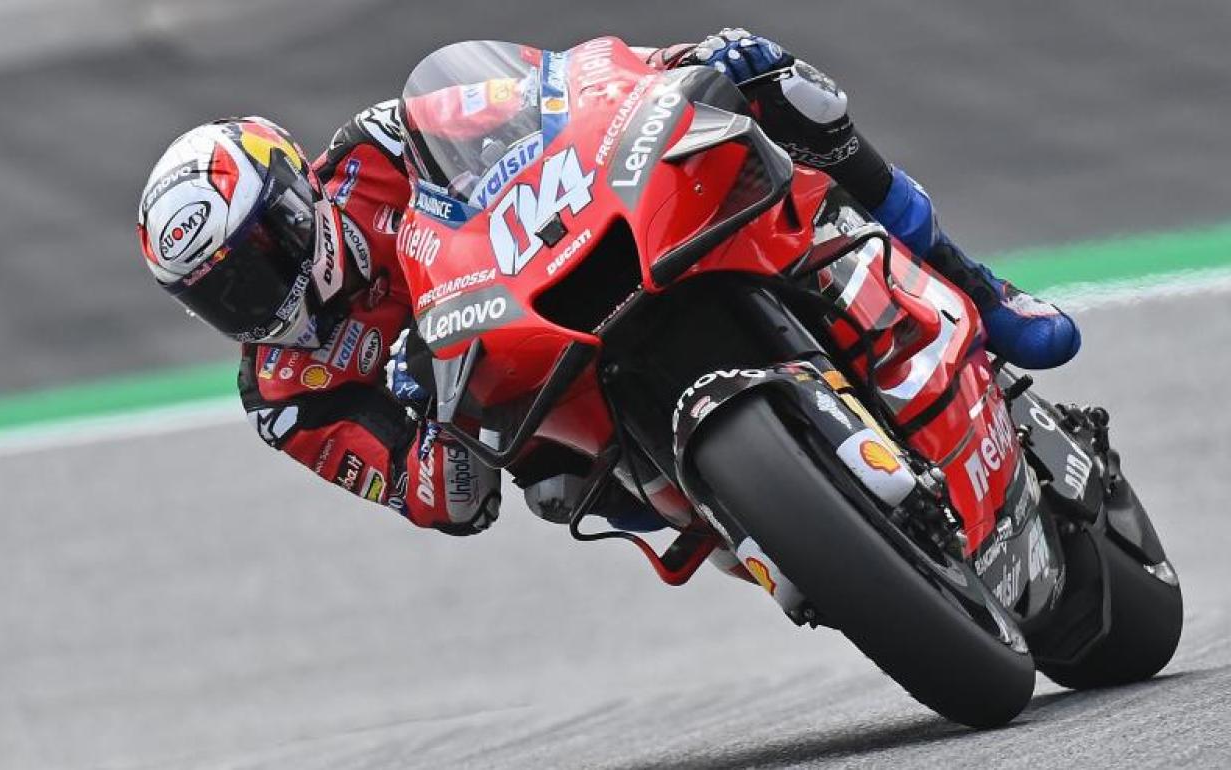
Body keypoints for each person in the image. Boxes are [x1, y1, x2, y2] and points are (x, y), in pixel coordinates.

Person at [136, 30, 1081, 539]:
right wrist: (437, 424)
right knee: (557, 494)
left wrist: (673, 69)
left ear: (294, 198)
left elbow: (551, 99)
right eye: (221, 298)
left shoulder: (378, 147)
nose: (254, 301)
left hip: (572, 258)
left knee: (771, 84)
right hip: (542, 401)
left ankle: (976, 290)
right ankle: (776, 536)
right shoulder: (288, 395)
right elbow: (447, 504)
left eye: (257, 260)